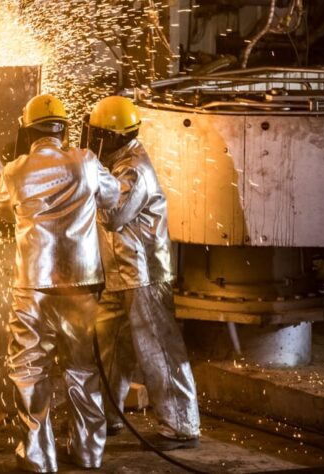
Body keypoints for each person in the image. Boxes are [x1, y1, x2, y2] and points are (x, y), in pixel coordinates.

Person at [0, 93, 121, 471]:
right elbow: (113, 196)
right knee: (83, 370)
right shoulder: (86, 161)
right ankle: (89, 452)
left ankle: (39, 457)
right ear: (63, 129)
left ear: (27, 132)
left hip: (33, 288)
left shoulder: (14, 171)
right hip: (81, 286)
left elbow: (3, 212)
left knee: (29, 372)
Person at [85, 96, 201, 450]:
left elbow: (112, 216)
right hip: (119, 275)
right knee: (108, 347)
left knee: (158, 350)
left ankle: (181, 425)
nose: (93, 140)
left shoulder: (134, 169)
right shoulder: (114, 162)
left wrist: (84, 179)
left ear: (114, 136)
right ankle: (103, 415)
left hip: (145, 276)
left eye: (98, 134)